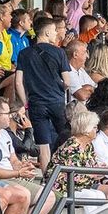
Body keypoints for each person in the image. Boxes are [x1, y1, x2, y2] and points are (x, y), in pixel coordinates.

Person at [15, 17, 72, 171]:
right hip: (56, 102)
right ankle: (68, 175)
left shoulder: (24, 53)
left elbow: (19, 82)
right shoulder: (59, 52)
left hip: (36, 104)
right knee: (67, 139)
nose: (56, 34)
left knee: (43, 146)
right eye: (54, 31)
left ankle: (48, 181)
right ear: (46, 32)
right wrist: (61, 88)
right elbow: (67, 81)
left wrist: (24, 101)